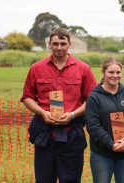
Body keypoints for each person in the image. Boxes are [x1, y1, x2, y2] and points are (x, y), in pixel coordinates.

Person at [21, 28, 97, 183]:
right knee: (43, 180)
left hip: (72, 135)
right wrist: (42, 113)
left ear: (69, 44)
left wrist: (73, 115)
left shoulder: (83, 69)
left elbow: (93, 100)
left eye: (63, 43)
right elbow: (27, 97)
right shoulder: (36, 68)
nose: (59, 47)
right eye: (55, 43)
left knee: (71, 180)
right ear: (49, 44)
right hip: (44, 134)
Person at [85, 57, 124, 183]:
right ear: (103, 72)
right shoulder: (94, 97)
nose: (115, 76)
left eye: (118, 72)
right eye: (111, 72)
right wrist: (111, 144)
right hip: (102, 155)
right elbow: (93, 126)